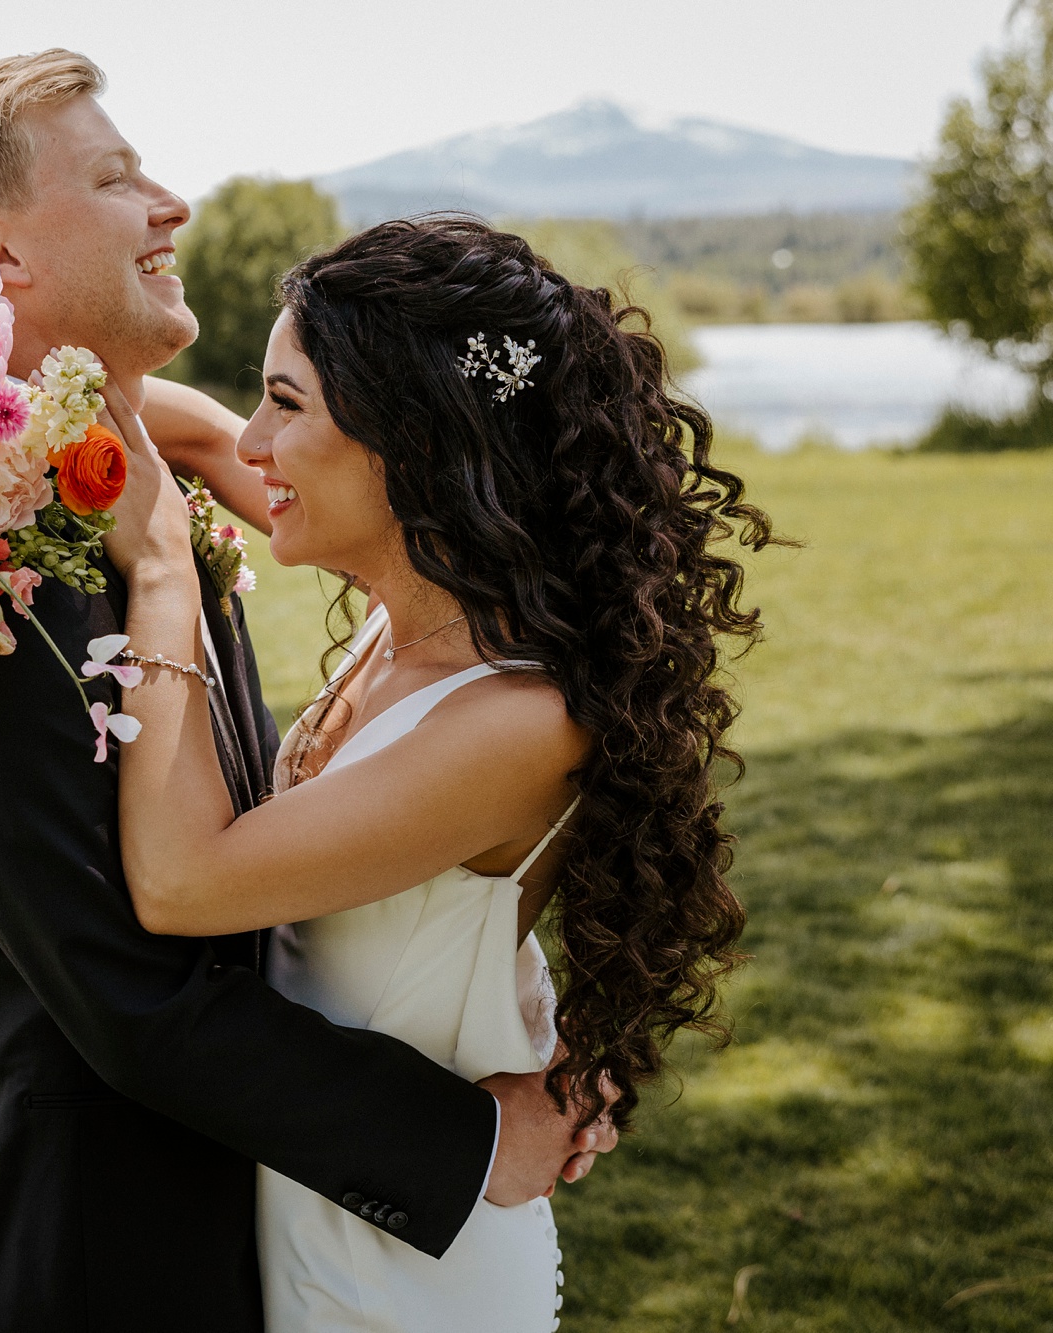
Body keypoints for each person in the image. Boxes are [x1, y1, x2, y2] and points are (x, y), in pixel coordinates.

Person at [0, 53, 613, 1332]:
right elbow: (135, 1001)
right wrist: (469, 1141)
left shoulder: (138, 492)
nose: (171, 204)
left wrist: (170, 438)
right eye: (113, 177)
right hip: (97, 1256)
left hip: (268, 1229)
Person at [100, 215, 775, 1330]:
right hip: (325, 1196)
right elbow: (188, 435)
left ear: (413, 444)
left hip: (400, 1276)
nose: (254, 443)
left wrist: (162, 572)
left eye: (287, 403)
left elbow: (180, 881)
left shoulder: (515, 719)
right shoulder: (407, 619)